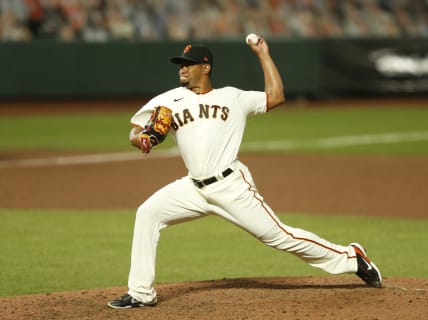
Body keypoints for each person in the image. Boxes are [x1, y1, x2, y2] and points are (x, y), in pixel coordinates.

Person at [107, 37, 382, 309]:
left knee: (280, 237)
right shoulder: (168, 101)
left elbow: (276, 96)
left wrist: (263, 54)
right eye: (180, 63)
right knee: (147, 213)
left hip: (231, 186)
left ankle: (351, 257)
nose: (182, 68)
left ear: (205, 68)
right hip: (192, 188)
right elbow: (136, 130)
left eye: (188, 64)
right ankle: (141, 293)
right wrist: (142, 139)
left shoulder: (233, 97)